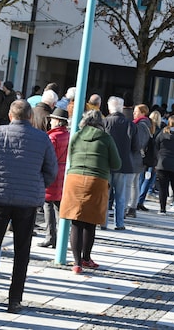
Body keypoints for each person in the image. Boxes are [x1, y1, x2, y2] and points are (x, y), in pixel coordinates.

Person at [0, 100, 57, 314]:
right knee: (22, 251)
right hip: (27, 200)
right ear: (30, 117)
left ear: (10, 115)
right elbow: (51, 171)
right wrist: (36, 184)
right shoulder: (42, 138)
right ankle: (14, 300)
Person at [60, 110, 121, 273]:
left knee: (76, 221)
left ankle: (76, 263)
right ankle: (87, 258)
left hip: (75, 179)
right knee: (90, 221)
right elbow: (116, 164)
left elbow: (71, 158)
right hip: (97, 181)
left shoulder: (76, 136)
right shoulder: (106, 139)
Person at [103, 96, 138, 230]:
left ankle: (103, 222)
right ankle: (119, 223)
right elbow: (135, 147)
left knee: (105, 194)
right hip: (123, 164)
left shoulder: (105, 122)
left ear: (109, 107)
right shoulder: (130, 124)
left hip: (107, 163)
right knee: (120, 196)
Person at [38, 108, 70, 248]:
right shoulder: (69, 135)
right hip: (64, 173)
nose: (50, 121)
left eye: (52, 119)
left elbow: (48, 158)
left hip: (52, 173)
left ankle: (50, 236)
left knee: (48, 204)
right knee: (59, 206)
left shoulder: (52, 137)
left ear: (57, 121)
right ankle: (62, 237)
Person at [137, 110, 165, 210]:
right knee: (148, 180)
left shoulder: (147, 128)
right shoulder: (161, 130)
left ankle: (136, 200)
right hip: (154, 158)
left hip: (144, 157)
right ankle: (140, 200)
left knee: (140, 179)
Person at [129, 104, 152, 217]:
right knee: (134, 184)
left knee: (131, 184)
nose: (134, 114)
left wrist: (132, 147)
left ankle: (131, 208)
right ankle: (132, 207)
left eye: (136, 111)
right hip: (138, 158)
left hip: (136, 158)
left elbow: (140, 143)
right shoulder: (144, 123)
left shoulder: (141, 125)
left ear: (143, 113)